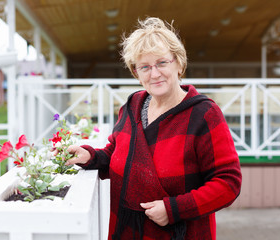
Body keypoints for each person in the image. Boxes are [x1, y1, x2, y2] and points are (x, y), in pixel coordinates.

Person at [64, 17, 242, 240]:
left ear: (178, 63)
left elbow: (228, 183)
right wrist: (90, 156)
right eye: (145, 67)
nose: (154, 73)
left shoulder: (203, 114)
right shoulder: (131, 106)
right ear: (136, 73)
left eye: (162, 63)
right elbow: (119, 154)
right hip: (126, 230)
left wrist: (174, 209)